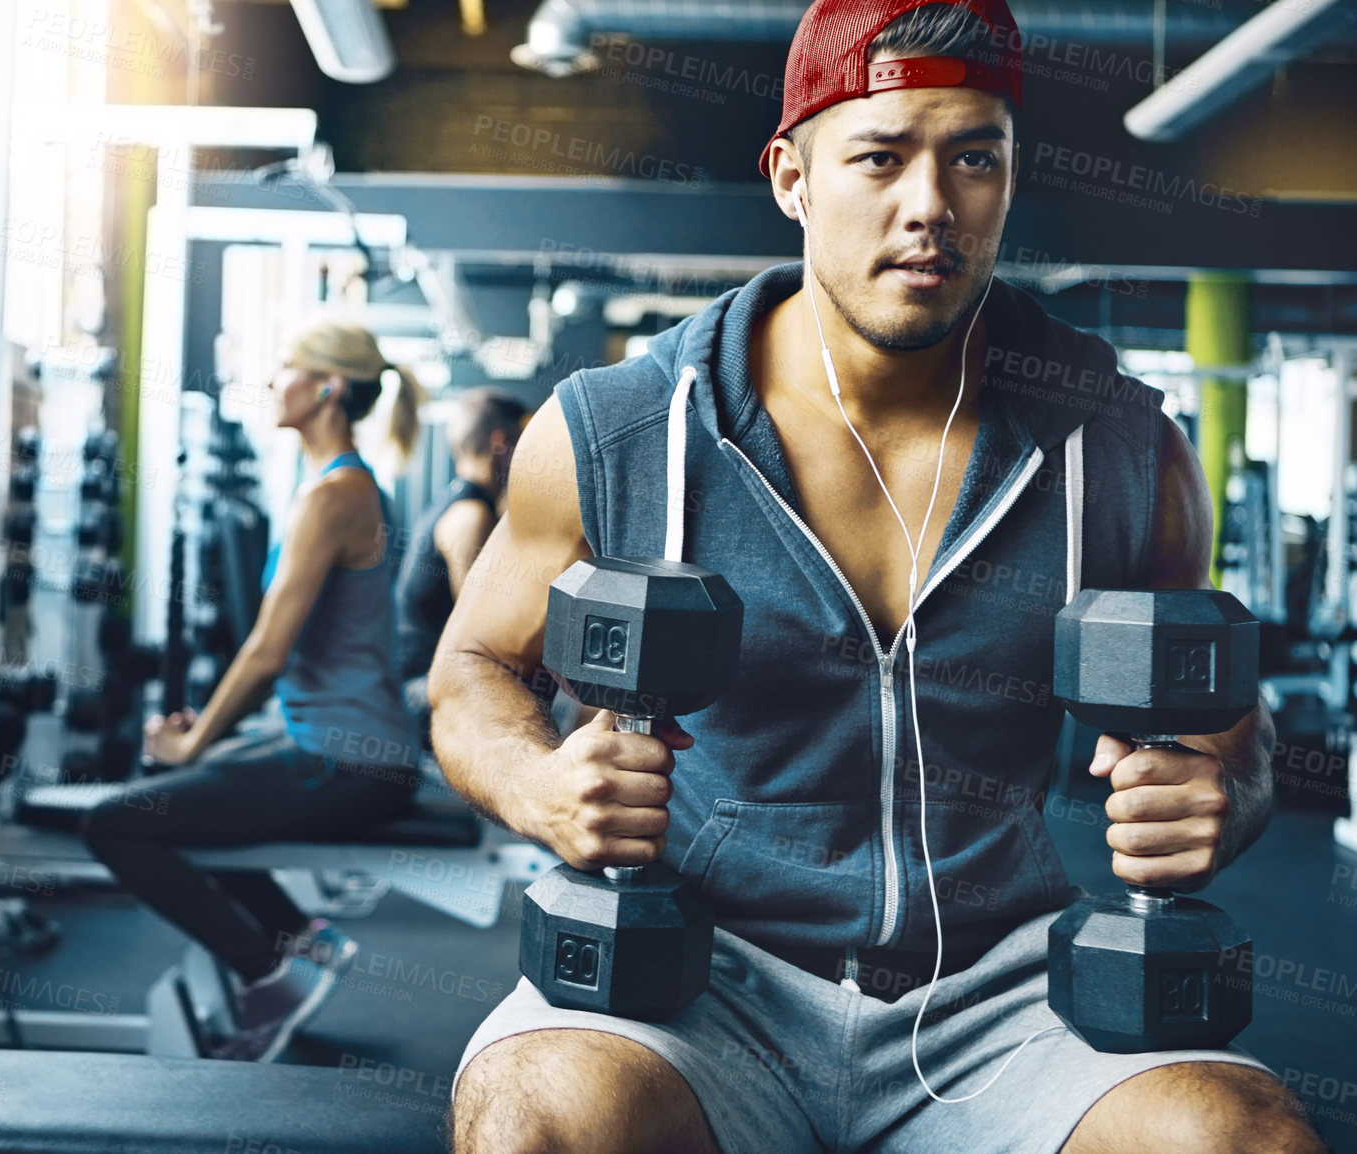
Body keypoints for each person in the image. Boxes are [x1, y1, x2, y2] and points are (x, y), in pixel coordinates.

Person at [431, 1, 1323, 1151]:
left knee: (1239, 1137)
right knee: (537, 1118)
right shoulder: (618, 432)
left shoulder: (1120, 449)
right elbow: (470, 668)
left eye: (972, 158)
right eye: (880, 155)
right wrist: (541, 784)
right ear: (790, 175)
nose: (929, 207)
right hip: (699, 976)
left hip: (1004, 992)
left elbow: (1227, 731)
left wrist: (1223, 795)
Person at [82, 318, 425, 1064]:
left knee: (117, 824)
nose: (274, 382)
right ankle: (299, 938)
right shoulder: (340, 488)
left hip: (349, 760)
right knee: (179, 792)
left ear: (329, 388)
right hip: (342, 748)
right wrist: (204, 742)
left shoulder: (333, 497)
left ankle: (272, 974)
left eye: (287, 368)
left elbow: (267, 653)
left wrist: (196, 739)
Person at [394, 388, 528, 732]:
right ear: (502, 445)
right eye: (525, 445)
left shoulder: (456, 501)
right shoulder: (470, 515)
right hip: (417, 692)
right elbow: (485, 636)